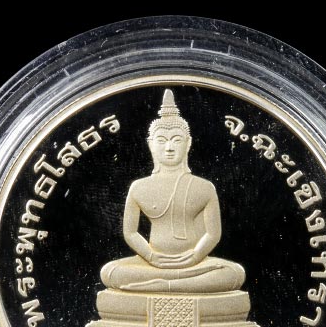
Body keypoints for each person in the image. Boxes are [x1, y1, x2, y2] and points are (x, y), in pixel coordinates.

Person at [101, 89, 245, 293]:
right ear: (151, 145)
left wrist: (195, 257)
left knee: (233, 273)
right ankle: (177, 284)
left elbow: (213, 234)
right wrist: (151, 257)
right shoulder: (139, 187)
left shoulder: (204, 187)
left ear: (188, 143)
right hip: (152, 264)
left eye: (176, 140)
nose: (169, 147)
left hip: (194, 265)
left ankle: (165, 285)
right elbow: (130, 232)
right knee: (110, 272)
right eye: (162, 140)